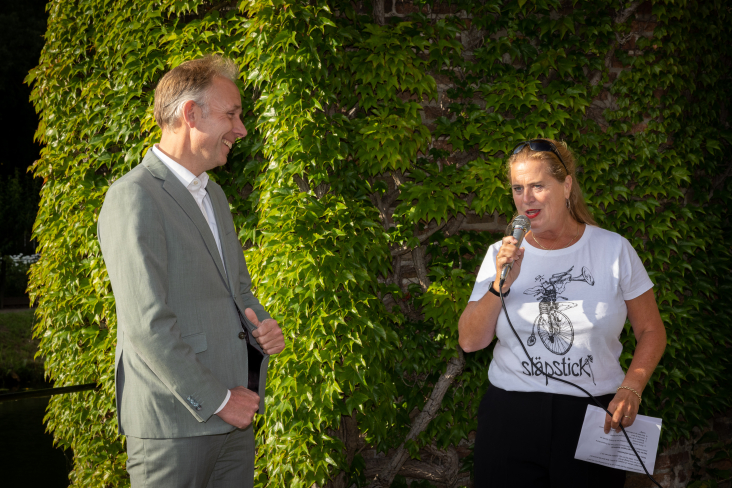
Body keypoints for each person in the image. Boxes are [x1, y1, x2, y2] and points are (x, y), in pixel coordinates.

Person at [98, 55, 285, 488]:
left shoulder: (215, 196)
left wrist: (261, 324)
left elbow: (238, 290)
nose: (241, 129)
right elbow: (146, 325)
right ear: (190, 114)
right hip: (173, 426)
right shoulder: (133, 197)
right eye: (232, 114)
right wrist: (220, 399)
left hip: (234, 416)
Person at [458, 139, 666, 488]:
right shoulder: (502, 253)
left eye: (538, 186)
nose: (526, 198)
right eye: (518, 188)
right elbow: (469, 341)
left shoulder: (612, 249)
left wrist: (632, 387)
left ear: (567, 185)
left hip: (593, 416)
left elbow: (651, 330)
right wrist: (500, 284)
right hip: (510, 415)